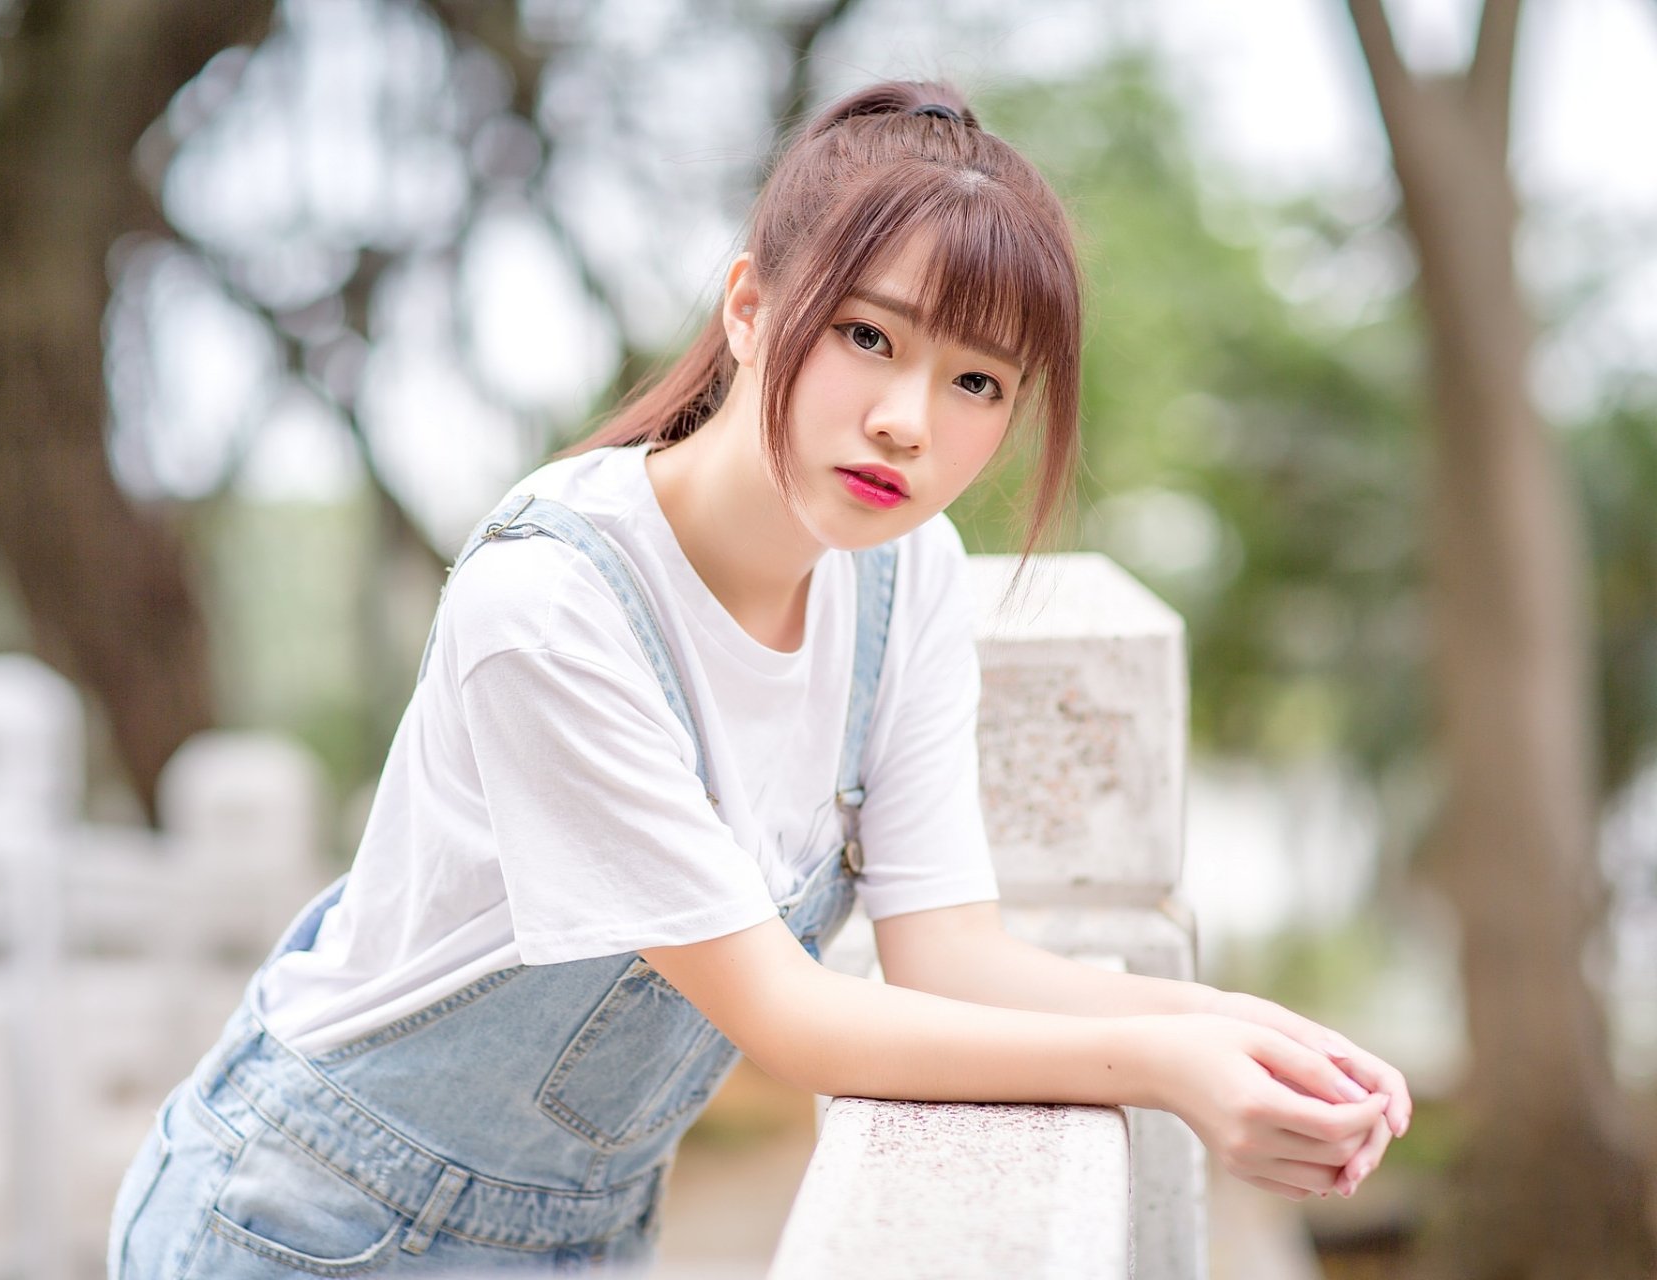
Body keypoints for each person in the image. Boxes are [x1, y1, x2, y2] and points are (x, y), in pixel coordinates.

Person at [107, 79, 1410, 1278]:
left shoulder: (907, 579)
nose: (909, 418)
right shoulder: (553, 608)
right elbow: (791, 1022)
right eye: (866, 336)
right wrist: (1164, 1069)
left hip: (585, 1231)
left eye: (975, 380)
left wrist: (1244, 1027)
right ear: (749, 309)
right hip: (305, 1223)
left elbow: (950, 954)